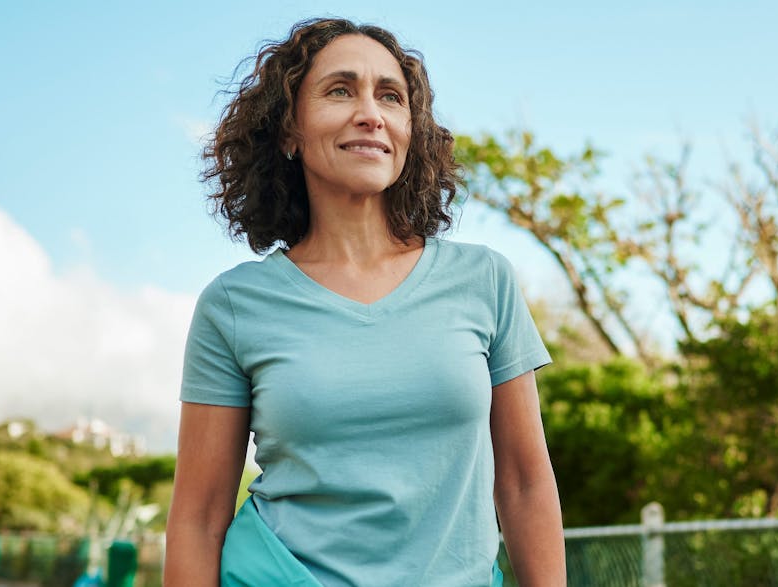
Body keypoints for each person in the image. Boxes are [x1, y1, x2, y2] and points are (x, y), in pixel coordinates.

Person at [164, 17, 566, 587]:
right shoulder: (233, 304)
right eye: (339, 90)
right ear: (288, 132)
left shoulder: (484, 280)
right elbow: (199, 518)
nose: (371, 113)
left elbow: (525, 483)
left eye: (390, 96)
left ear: (409, 129)